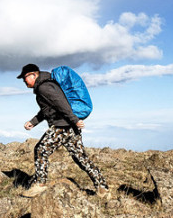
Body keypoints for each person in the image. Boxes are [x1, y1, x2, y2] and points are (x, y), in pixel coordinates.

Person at [17, 63, 109, 198]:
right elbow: (48, 109)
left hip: (62, 126)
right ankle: (103, 188)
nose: (24, 81)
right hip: (70, 126)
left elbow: (61, 103)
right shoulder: (47, 84)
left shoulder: (44, 87)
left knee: (41, 150)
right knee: (80, 157)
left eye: (25, 78)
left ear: (33, 75)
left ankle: (39, 185)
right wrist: (33, 122)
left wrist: (74, 120)